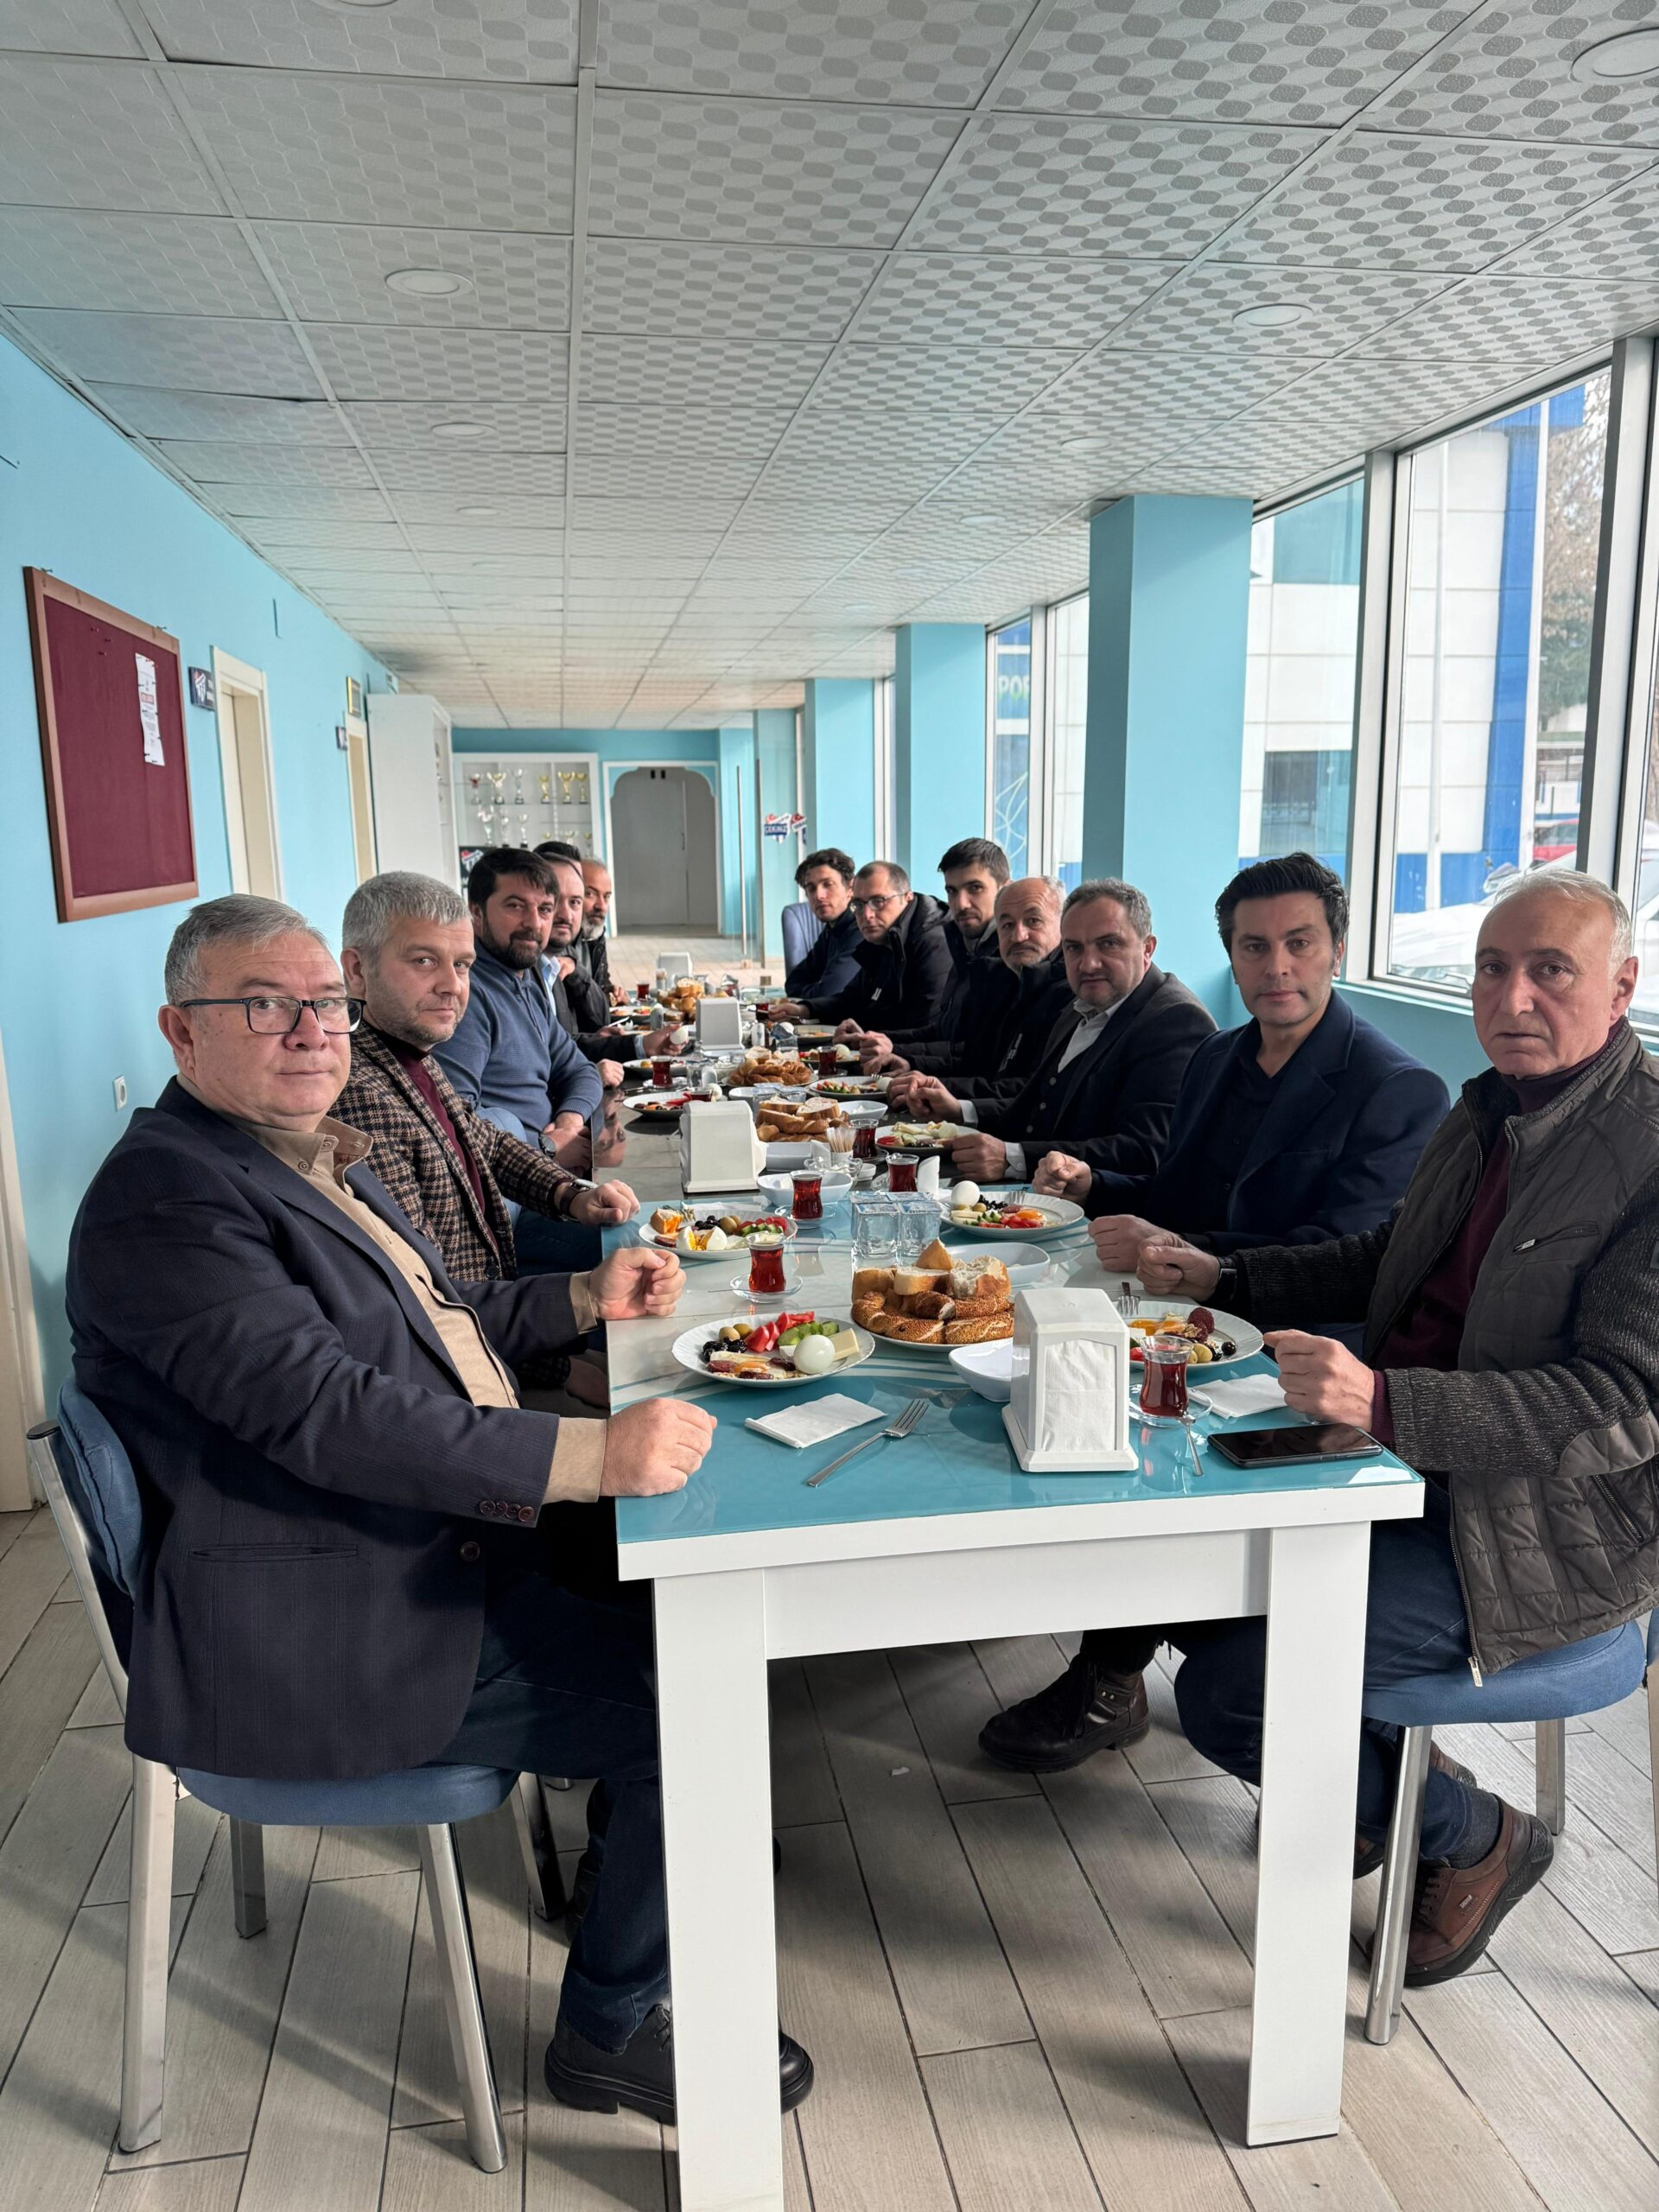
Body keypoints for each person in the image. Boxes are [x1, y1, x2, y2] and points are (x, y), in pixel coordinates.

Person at [65, 893, 814, 2119]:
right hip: (332, 1616)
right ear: (180, 1030)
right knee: (706, 1702)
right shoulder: (168, 1201)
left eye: (323, 1003)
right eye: (265, 1006)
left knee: (702, 1591)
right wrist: (589, 1459)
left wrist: (578, 1304)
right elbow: (328, 1414)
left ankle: (656, 1852)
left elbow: (431, 1328)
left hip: (411, 1537)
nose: (312, 1030)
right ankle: (613, 2022)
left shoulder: (292, 1152)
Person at [984, 870, 1659, 1986]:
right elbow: (1387, 1261)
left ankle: (1473, 1833)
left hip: (1542, 1538)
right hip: (1394, 1466)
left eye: (1552, 971)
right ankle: (1365, 1786)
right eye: (1493, 969)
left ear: (1623, 985)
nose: (1514, 997)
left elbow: (1624, 1408)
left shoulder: (1641, 1147)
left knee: (1233, 1692)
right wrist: (1228, 1276)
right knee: (1164, 1568)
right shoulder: (1487, 1109)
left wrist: (1387, 1402)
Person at [1032, 855, 1449, 1310]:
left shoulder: (1400, 1090)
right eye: (1254, 947)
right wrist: (1095, 1186)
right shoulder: (1213, 1055)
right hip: (1168, 1308)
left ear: (1337, 954)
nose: (1276, 966)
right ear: (1232, 960)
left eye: (1299, 943)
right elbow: (1176, 1195)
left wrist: (1181, 1247)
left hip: (1292, 1332)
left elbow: (1342, 1260)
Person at [334, 870, 639, 1292]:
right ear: (357, 970)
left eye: (461, 965)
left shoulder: (412, 1055)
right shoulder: (360, 1099)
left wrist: (572, 1195)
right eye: (424, 961)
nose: (453, 986)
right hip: (476, 1313)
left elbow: (487, 1143)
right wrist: (584, 1299)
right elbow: (435, 1297)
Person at [906, 880, 1214, 1187]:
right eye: (1074, 948)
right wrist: (961, 1112)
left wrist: (1013, 1158)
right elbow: (1034, 1106)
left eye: (1108, 944)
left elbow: (1145, 1151)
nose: (1088, 964)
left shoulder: (1177, 1020)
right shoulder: (1078, 1006)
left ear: (1147, 948)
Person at [436, 848, 603, 1174]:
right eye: (515, 906)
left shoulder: (525, 982)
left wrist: (569, 1123)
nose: (534, 923)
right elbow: (456, 1128)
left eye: (544, 909)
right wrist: (547, 1149)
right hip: (519, 1185)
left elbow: (581, 1071)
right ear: (476, 912)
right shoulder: (467, 996)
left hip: (551, 1165)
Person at [880, 874, 1067, 1103]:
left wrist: (948, 1094)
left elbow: (1030, 1091)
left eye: (1033, 921)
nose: (1018, 936)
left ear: (1064, 925)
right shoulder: (1001, 979)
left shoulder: (1071, 995)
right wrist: (912, 1064)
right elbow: (975, 1061)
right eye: (1007, 925)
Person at [845, 838, 1015, 1075]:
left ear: (1005, 890)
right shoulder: (963, 944)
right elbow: (943, 1031)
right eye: (952, 891)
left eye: (975, 888)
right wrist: (876, 1041)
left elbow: (979, 1057)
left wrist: (902, 1054)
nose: (961, 903)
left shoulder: (1011, 958)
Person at [771, 860, 953, 1034]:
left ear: (907, 897)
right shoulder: (882, 935)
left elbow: (927, 1028)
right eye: (858, 905)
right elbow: (853, 999)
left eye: (878, 901)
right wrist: (805, 1010)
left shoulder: (934, 941)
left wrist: (868, 1039)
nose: (867, 914)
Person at [541, 851, 677, 1077]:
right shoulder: (543, 962)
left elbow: (565, 1043)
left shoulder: (585, 940)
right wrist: (591, 1076)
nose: (601, 906)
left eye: (574, 901)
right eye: (590, 894)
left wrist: (639, 1045)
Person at [784, 848, 862, 1003]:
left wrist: (812, 992)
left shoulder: (861, 929)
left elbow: (828, 993)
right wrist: (816, 990)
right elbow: (793, 982)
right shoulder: (831, 931)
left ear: (850, 888)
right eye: (811, 888)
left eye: (828, 884)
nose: (819, 895)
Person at [578, 857, 618, 1002]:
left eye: (606, 897)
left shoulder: (595, 935)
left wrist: (612, 995)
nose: (601, 906)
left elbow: (601, 983)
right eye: (590, 894)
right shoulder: (560, 943)